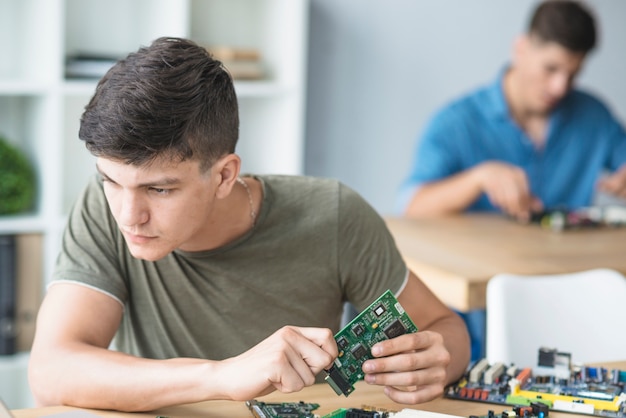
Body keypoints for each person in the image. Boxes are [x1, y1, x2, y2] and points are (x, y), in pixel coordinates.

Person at [28, 37, 470, 412]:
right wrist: (220, 376)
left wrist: (436, 360)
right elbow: (51, 370)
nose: (128, 214)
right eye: (111, 181)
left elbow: (446, 331)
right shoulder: (103, 207)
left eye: (159, 190)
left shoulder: (333, 214)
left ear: (224, 175)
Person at [399, 0, 626, 222]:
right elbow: (411, 209)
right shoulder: (456, 122)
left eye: (573, 74)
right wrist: (478, 179)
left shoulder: (594, 116)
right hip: (482, 258)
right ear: (521, 48)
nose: (560, 87)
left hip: (575, 260)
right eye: (550, 69)